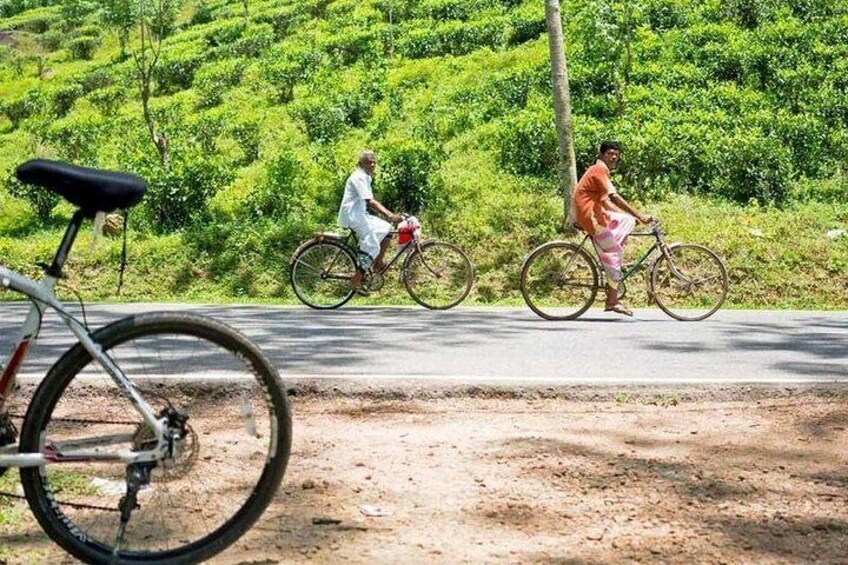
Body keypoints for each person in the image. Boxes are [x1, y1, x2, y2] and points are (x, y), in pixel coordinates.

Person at [572, 141, 653, 317]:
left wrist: (630, 217)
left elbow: (606, 202)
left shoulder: (599, 171)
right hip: (592, 218)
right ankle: (612, 301)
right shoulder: (599, 170)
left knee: (624, 222)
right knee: (615, 254)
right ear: (601, 155)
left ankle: (611, 274)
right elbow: (614, 197)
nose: (614, 157)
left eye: (616, 154)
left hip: (594, 214)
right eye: (610, 153)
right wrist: (639, 215)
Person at [337, 150, 401, 291]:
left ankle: (378, 263)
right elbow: (370, 201)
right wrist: (390, 215)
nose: (372, 165)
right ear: (360, 164)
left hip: (360, 215)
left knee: (387, 229)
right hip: (353, 216)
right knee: (372, 245)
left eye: (374, 162)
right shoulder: (358, 177)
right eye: (368, 162)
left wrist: (388, 218)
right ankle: (356, 280)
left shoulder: (365, 177)